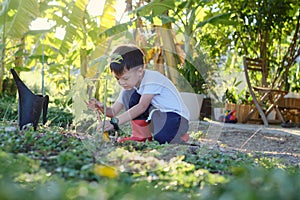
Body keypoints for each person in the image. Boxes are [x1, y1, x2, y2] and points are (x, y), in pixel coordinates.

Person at [87, 44, 190, 144]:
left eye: (125, 78)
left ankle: (180, 135)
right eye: (117, 78)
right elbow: (113, 111)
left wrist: (115, 122)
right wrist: (100, 107)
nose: (121, 82)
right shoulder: (129, 86)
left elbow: (142, 106)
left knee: (162, 139)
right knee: (128, 94)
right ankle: (141, 136)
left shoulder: (152, 79)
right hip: (158, 116)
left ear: (140, 71)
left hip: (178, 117)